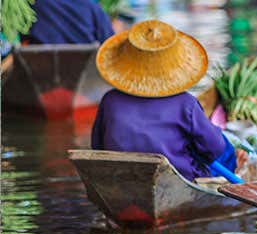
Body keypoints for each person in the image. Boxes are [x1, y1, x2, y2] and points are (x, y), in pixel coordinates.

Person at [91, 19, 243, 182]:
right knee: (223, 147)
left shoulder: (110, 100)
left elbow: (97, 144)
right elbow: (214, 147)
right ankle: (236, 168)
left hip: (120, 178)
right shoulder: (186, 104)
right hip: (180, 177)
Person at [24, 0, 115, 44]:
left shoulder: (32, 5)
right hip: (85, 74)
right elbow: (110, 43)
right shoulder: (91, 6)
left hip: (40, 72)